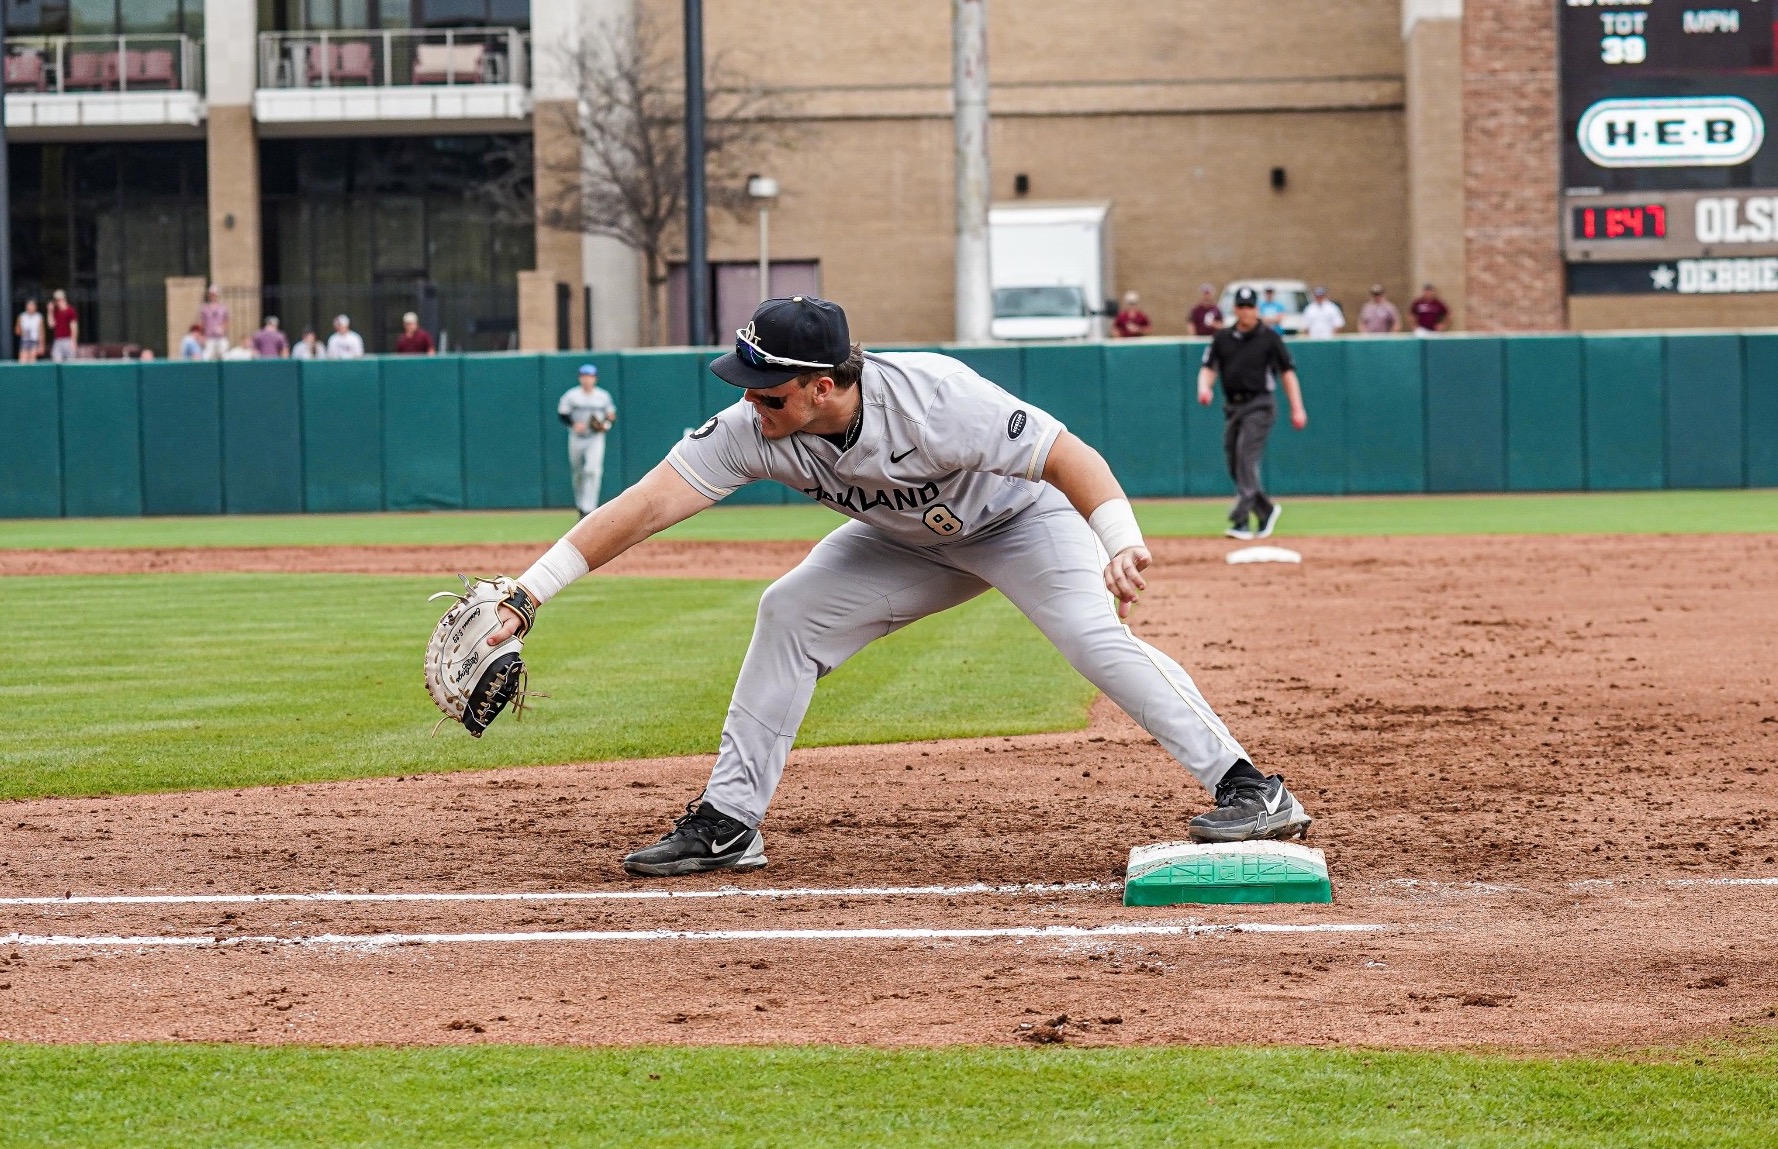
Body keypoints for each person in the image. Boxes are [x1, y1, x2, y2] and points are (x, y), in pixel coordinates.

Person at [478, 295, 1312, 877]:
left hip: (1021, 521)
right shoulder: (754, 428)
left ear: (825, 386)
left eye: (769, 391)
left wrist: (1119, 540)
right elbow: (647, 502)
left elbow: (1068, 455)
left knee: (1092, 638)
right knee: (789, 611)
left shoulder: (936, 398)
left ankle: (1250, 786)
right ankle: (728, 822)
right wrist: (529, 592)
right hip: (906, 542)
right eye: (746, 386)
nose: (751, 403)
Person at [1197, 286, 1309, 542]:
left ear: (1256, 309)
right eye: (1241, 306)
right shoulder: (1222, 338)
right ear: (1235, 309)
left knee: (1246, 455)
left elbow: (1287, 374)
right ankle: (1265, 510)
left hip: (1260, 404)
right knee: (1234, 462)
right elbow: (1209, 367)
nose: (1246, 311)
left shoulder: (1269, 338)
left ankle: (1241, 519)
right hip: (1233, 406)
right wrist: (1204, 387)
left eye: (1250, 306)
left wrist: (1297, 407)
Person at [557, 363, 617, 514]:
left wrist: (605, 425)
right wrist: (573, 424)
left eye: (590, 376)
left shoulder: (603, 396)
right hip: (576, 437)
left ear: (595, 379)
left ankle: (589, 508)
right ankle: (581, 504)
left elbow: (611, 416)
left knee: (592, 470)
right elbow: (563, 414)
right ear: (579, 378)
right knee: (578, 472)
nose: (587, 379)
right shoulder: (572, 395)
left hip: (595, 437)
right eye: (584, 376)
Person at [198, 285, 231, 361]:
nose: (213, 296)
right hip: (209, 338)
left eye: (215, 294)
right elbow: (202, 323)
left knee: (225, 358)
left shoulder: (223, 308)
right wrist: (201, 336)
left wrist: (222, 328)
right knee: (206, 358)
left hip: (221, 338)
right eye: (212, 294)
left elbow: (227, 322)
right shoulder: (205, 308)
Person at [48, 290, 78, 362]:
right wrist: (50, 311)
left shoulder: (70, 311)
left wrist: (73, 341)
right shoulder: (55, 311)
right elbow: (51, 325)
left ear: (64, 299)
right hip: (58, 340)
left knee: (70, 362)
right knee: (57, 362)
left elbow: (74, 327)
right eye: (56, 300)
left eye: (59, 300)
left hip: (68, 340)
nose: (58, 302)